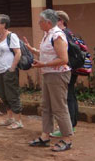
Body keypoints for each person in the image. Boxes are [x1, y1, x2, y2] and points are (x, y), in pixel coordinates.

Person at [23, 9, 74, 152]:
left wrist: (43, 64)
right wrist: (32, 50)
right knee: (46, 106)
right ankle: (45, 136)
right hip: (48, 74)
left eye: (41, 21)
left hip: (58, 75)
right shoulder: (48, 35)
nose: (39, 23)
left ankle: (67, 139)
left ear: (48, 22)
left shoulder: (57, 35)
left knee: (59, 107)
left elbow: (63, 59)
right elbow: (48, 53)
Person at [0, 14, 23, 129]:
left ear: (4, 24)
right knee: (3, 95)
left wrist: (12, 68)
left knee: (12, 95)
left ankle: (18, 120)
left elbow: (18, 53)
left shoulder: (12, 36)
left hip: (8, 70)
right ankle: (10, 118)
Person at [50, 10, 78, 137]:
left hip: (67, 68)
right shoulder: (70, 33)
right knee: (71, 95)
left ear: (60, 21)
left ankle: (68, 127)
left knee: (67, 97)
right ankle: (72, 125)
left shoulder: (62, 34)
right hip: (73, 67)